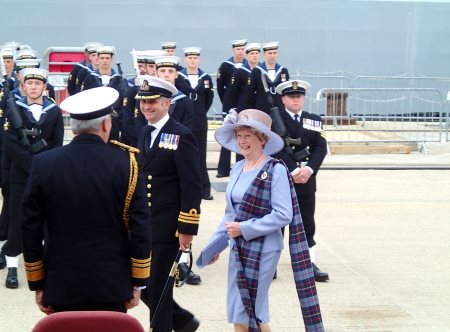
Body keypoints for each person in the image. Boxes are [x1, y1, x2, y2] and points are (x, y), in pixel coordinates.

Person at [21, 86, 151, 313]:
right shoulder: (126, 163)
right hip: (112, 283)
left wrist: (38, 284)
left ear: (74, 126)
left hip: (61, 283)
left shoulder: (44, 163)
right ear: (104, 124)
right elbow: (140, 226)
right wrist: (138, 281)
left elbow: (30, 227)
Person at [205, 108, 324, 332]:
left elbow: (283, 215)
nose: (242, 141)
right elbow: (230, 214)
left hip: (264, 249)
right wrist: (215, 246)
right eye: (239, 136)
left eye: (248, 136)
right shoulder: (238, 167)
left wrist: (245, 228)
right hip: (238, 247)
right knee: (239, 309)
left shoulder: (275, 169)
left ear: (262, 139)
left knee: (250, 310)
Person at [136, 76, 202, 331]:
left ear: (167, 103)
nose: (146, 107)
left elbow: (191, 185)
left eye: (152, 102)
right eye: (143, 102)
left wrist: (187, 228)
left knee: (158, 288)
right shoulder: (144, 132)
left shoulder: (181, 135)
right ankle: (183, 321)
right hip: (144, 224)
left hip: (167, 227)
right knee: (141, 284)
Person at [2, 68, 64, 288]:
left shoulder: (54, 111)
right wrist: (33, 166)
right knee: (17, 222)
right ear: (24, 86)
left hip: (46, 175)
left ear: (44, 86)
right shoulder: (13, 109)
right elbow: (10, 143)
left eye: (38, 84)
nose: (33, 87)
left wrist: (44, 167)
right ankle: (12, 269)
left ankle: (48, 267)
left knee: (47, 221)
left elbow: (58, 143)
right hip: (21, 175)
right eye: (30, 84)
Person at [273, 79, 329, 282]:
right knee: (276, 224)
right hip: (282, 177)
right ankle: (271, 265)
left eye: (299, 96)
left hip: (307, 178)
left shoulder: (313, 119)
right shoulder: (274, 120)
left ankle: (308, 263)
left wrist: (309, 169)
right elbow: (275, 147)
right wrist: (292, 169)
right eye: (291, 97)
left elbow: (321, 148)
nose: (296, 100)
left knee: (307, 222)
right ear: (283, 99)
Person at [176, 47, 214, 200]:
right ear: (185, 59)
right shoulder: (179, 77)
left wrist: (200, 111)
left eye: (195, 58)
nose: (192, 60)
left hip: (200, 121)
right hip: (184, 121)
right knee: (183, 154)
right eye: (190, 58)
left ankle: (204, 189)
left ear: (198, 59)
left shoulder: (205, 78)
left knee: (200, 155)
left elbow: (209, 99)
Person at [216, 39, 248, 178]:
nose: (240, 51)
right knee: (227, 137)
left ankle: (241, 167)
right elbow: (220, 86)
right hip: (229, 106)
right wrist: (226, 103)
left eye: (242, 49)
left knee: (243, 136)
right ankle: (223, 169)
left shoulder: (249, 66)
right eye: (237, 49)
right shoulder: (226, 66)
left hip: (244, 107)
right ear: (233, 50)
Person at [246, 42, 289, 115]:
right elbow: (249, 95)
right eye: (270, 53)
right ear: (264, 55)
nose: (272, 56)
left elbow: (286, 93)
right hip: (262, 112)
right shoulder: (257, 72)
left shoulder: (283, 71)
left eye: (274, 53)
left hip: (280, 112)